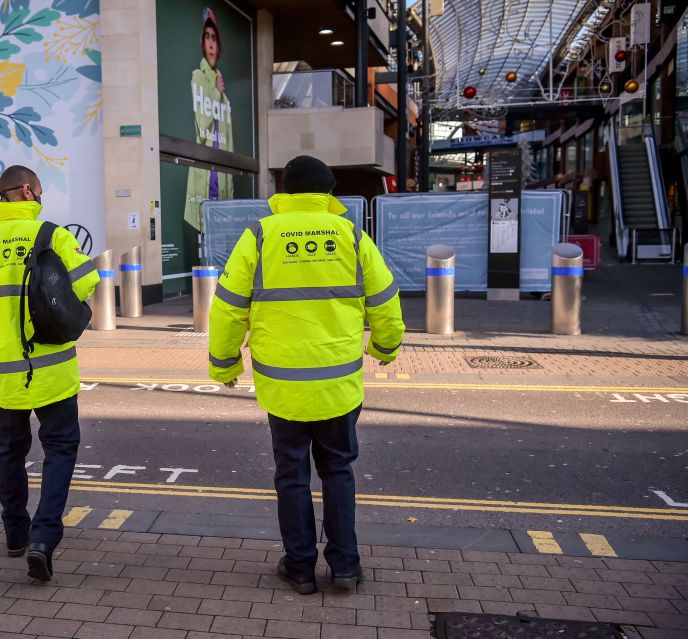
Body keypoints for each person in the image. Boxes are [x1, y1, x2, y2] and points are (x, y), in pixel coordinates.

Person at [208, 155, 405, 595]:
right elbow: (386, 299)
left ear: (285, 194)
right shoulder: (351, 235)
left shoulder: (259, 236)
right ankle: (345, 567)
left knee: (291, 475)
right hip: (338, 385)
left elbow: (227, 306)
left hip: (283, 388)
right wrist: (385, 347)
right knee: (338, 472)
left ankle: (299, 567)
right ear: (328, 192)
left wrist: (224, 362)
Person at [0, 165, 99, 583]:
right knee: (60, 449)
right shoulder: (52, 235)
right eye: (41, 192)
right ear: (28, 191)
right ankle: (44, 538)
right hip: (51, 368)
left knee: (10, 450)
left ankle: (16, 532)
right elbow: (88, 281)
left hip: (1, 373)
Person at [183, 7, 234, 232]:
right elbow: (201, 122)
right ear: (202, 43)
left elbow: (229, 143)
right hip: (204, 171)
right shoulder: (199, 77)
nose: (211, 44)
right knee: (203, 233)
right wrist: (215, 92)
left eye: (214, 38)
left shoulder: (221, 85)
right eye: (207, 37)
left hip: (220, 174)